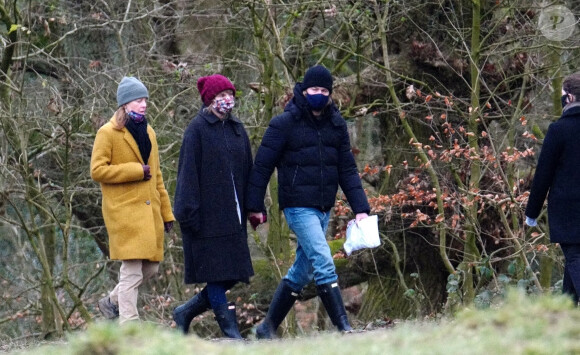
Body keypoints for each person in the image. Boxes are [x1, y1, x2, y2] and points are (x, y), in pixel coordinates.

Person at [246, 65, 370, 338]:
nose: (319, 94)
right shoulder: (284, 124)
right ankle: (343, 328)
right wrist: (255, 206)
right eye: (314, 89)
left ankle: (266, 328)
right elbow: (262, 167)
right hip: (297, 205)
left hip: (324, 206)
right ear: (303, 90)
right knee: (324, 259)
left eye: (324, 90)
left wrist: (360, 209)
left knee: (302, 271)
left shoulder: (336, 125)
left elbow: (347, 170)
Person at [172, 74, 254, 339]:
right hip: (205, 219)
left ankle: (185, 312)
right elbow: (187, 175)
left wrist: (255, 206)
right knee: (217, 275)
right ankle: (233, 336)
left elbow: (249, 172)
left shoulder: (237, 130)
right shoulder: (196, 130)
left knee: (232, 273)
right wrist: (187, 214)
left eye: (229, 95)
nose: (226, 100)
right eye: (220, 96)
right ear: (209, 100)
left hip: (234, 218)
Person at [91, 76, 175, 324]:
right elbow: (97, 170)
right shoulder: (107, 133)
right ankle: (130, 323)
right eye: (139, 100)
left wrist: (167, 213)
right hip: (124, 212)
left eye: (145, 99)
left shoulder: (149, 131)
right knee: (131, 270)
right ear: (125, 104)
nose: (144, 104)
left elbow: (157, 175)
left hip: (149, 212)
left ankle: (111, 302)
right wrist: (135, 171)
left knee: (151, 268)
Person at [526, 72, 580, 306]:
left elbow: (543, 175)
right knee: (572, 269)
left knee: (576, 258)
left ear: (569, 97)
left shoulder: (559, 130)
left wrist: (531, 212)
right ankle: (563, 322)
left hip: (568, 212)